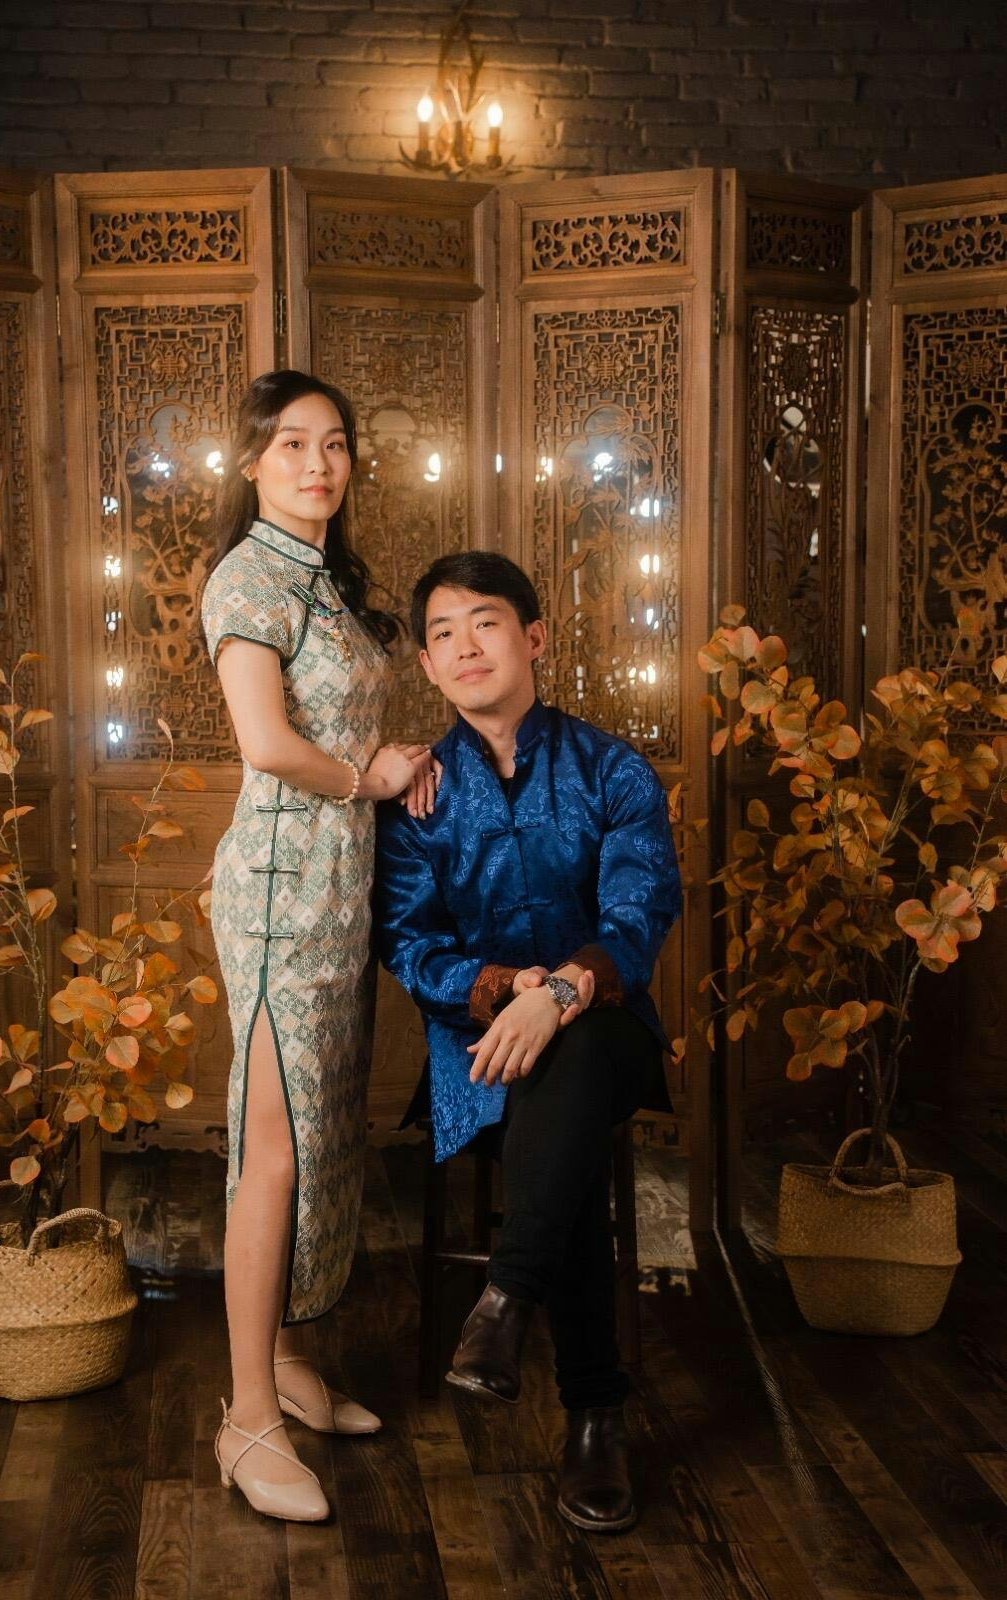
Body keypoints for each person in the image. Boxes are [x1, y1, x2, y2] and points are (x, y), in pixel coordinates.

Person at [374, 551, 682, 1533]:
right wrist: (507, 990)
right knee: (566, 1132)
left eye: (486, 623)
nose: (465, 647)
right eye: (443, 634)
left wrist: (558, 993)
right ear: (429, 666)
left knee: (578, 1059)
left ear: (534, 637)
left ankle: (504, 1299)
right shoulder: (419, 797)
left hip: (606, 1031)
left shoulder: (612, 769)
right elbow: (408, 944)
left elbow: (637, 918)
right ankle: (593, 1414)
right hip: (481, 1055)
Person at [199, 369, 435, 1522]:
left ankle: (289, 1360)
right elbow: (266, 742)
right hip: (278, 893)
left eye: (334, 443)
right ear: (252, 463)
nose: (317, 463)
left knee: (326, 1136)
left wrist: (406, 767)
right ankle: (246, 1417)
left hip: (340, 888)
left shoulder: (327, 583)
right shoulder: (246, 577)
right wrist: (369, 779)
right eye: (291, 443)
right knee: (274, 1152)